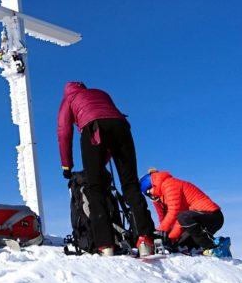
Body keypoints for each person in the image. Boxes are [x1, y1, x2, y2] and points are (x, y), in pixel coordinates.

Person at [57, 81, 156, 256]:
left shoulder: (69, 99)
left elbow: (64, 131)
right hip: (122, 128)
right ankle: (145, 239)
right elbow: (109, 123)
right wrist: (101, 161)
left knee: (95, 188)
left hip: (92, 128)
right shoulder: (100, 93)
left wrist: (67, 165)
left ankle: (106, 245)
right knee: (130, 183)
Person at [139, 169, 229, 257]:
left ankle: (212, 248)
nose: (150, 196)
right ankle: (209, 245)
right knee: (180, 244)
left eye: (148, 193)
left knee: (183, 218)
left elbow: (175, 212)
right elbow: (164, 218)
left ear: (150, 187)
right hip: (196, 218)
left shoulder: (170, 184)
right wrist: (169, 238)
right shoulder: (161, 194)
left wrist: (161, 232)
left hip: (212, 216)